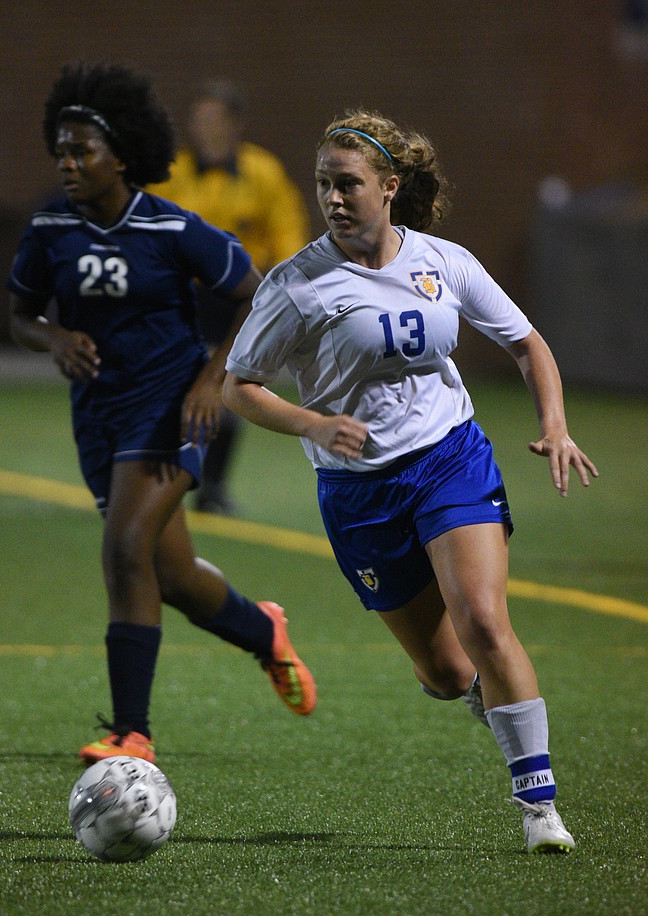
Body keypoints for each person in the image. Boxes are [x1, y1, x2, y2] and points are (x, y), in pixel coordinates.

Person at [223, 110, 599, 854]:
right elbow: (239, 386)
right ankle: (480, 698)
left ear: (390, 187)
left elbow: (526, 342)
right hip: (358, 492)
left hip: (449, 459)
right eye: (325, 184)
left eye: (349, 184)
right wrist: (312, 424)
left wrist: (554, 425)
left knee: (485, 622)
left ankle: (539, 808)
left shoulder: (443, 262)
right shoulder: (297, 285)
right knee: (448, 669)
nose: (333, 198)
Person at [7, 62, 316, 765]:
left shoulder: (174, 228)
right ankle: (264, 632)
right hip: (98, 418)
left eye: (81, 150)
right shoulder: (51, 228)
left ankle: (131, 733)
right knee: (171, 577)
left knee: (123, 549)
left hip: (172, 412)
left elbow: (258, 296)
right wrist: (53, 338)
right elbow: (19, 316)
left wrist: (216, 379)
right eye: (61, 150)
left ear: (122, 154)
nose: (68, 163)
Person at [150, 80, 310, 514]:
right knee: (177, 385)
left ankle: (213, 486)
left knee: (231, 386)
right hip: (186, 296)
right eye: (199, 121)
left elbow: (288, 236)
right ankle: (169, 474)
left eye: (216, 120)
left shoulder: (264, 173)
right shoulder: (171, 173)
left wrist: (282, 294)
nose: (206, 129)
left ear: (237, 124)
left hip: (241, 300)